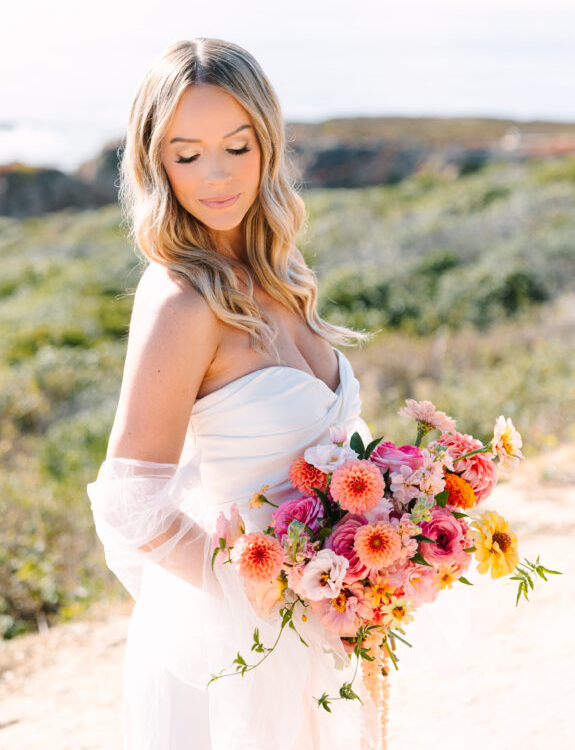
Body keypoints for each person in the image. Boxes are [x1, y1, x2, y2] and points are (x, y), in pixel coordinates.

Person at [87, 38, 381, 750]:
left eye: (236, 148)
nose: (215, 177)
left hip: (323, 616)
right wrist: (250, 589)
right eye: (187, 155)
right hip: (238, 643)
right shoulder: (180, 303)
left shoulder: (281, 265)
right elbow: (129, 497)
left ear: (267, 144)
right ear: (155, 161)